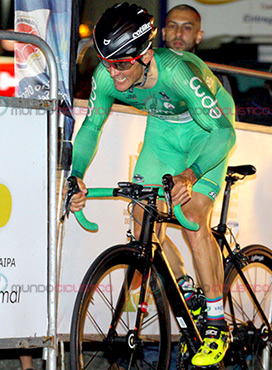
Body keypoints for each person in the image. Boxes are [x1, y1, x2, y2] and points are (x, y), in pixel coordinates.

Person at [67, 2, 236, 367]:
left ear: (144, 55)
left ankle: (218, 322)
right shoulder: (107, 73)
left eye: (122, 64)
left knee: (191, 218)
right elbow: (91, 128)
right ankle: (186, 290)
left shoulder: (177, 71)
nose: (113, 73)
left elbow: (224, 132)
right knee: (142, 214)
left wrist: (190, 175)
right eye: (106, 61)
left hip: (206, 131)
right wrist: (76, 174)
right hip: (163, 131)